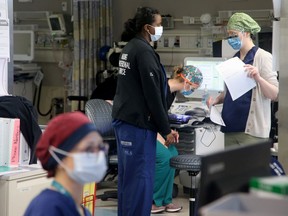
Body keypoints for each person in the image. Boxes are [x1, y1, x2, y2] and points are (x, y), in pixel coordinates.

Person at [111, 7, 179, 216]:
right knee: (139, 183)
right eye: (158, 25)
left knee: (129, 182)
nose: (160, 28)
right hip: (136, 127)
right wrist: (166, 129)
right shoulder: (143, 52)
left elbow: (152, 91)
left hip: (127, 123)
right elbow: (153, 97)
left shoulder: (130, 48)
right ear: (147, 27)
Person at [208, 12, 279, 147]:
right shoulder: (233, 59)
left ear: (246, 32)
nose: (230, 38)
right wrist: (216, 100)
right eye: (229, 35)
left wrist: (258, 78)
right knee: (230, 168)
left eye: (234, 34)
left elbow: (275, 94)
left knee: (250, 168)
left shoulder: (263, 57)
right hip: (230, 127)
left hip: (251, 133)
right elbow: (230, 91)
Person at [24, 112, 108, 216]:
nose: (98, 155)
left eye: (100, 147)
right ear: (60, 157)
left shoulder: (80, 209)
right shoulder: (47, 208)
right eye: (89, 149)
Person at [152, 65, 203, 214]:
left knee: (173, 154)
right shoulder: (160, 89)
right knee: (165, 157)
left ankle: (166, 200)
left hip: (156, 131)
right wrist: (161, 136)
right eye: (193, 87)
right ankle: (153, 200)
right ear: (186, 81)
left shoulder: (172, 93)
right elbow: (149, 117)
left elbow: (161, 117)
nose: (192, 91)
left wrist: (169, 131)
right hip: (143, 131)